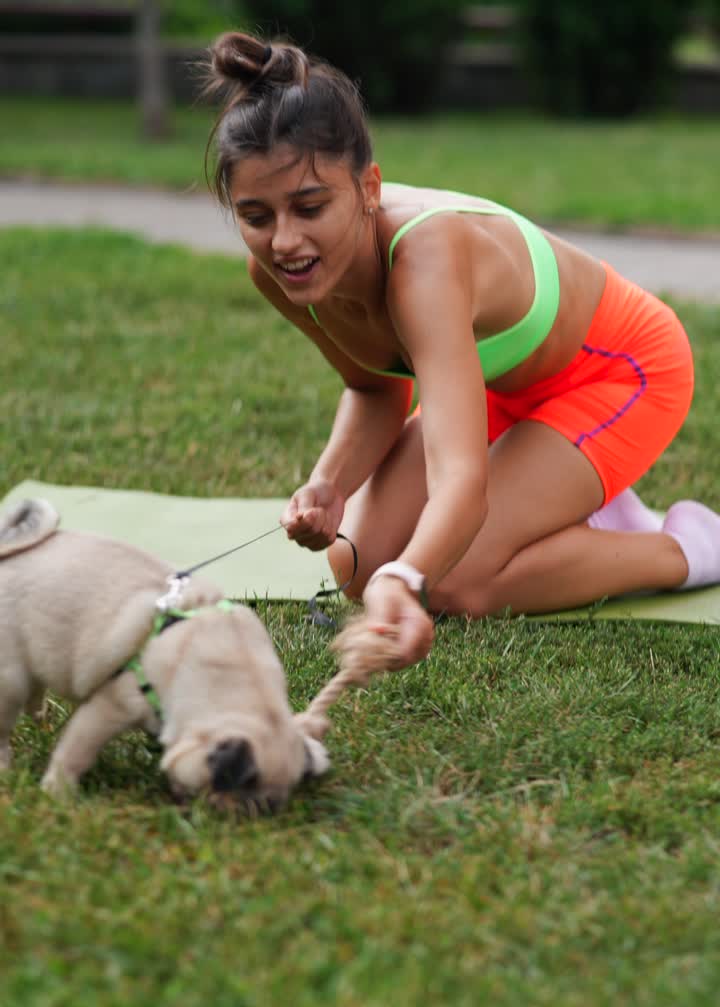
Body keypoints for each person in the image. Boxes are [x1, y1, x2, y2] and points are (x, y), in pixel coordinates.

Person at [204, 31, 718, 670]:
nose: (285, 241)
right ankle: (571, 500)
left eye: (310, 206)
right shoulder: (283, 278)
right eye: (256, 217)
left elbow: (460, 482)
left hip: (622, 372)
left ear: (368, 187)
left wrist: (410, 577)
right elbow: (375, 387)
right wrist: (328, 485)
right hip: (502, 385)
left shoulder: (425, 263)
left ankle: (689, 547)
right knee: (355, 565)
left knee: (455, 582)